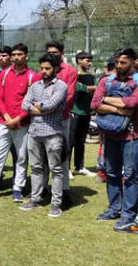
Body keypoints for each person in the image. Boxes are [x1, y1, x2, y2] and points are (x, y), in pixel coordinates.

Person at [91, 47, 138, 232]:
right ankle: (114, 208)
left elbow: (133, 103)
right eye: (116, 62)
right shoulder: (106, 80)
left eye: (123, 62)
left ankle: (128, 213)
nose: (118, 65)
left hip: (131, 136)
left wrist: (105, 101)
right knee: (111, 173)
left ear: (133, 62)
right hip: (109, 134)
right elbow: (94, 104)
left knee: (131, 175)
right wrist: (118, 109)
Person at [0, 44, 37, 203]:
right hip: (3, 123)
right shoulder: (4, 74)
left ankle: (17, 189)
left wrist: (17, 119)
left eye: (20, 54)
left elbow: (31, 102)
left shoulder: (32, 76)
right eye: (14, 54)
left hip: (22, 124)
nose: (16, 57)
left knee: (21, 157)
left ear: (26, 56)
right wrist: (6, 117)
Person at [20, 53, 69, 217]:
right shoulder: (35, 86)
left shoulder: (61, 86)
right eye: (41, 68)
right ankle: (35, 198)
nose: (43, 71)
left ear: (55, 68)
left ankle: (56, 204)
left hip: (52, 133)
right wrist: (39, 108)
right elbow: (24, 104)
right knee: (35, 168)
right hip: (34, 132)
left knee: (56, 169)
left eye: (47, 68)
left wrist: (38, 106)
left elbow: (51, 105)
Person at [45, 41, 77, 205]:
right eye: (49, 52)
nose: (52, 55)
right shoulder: (43, 70)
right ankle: (43, 189)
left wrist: (49, 107)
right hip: (43, 120)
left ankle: (64, 191)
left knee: (61, 155)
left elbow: (69, 96)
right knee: (44, 155)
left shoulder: (70, 71)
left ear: (62, 54)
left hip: (61, 118)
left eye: (55, 52)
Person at [68, 51, 97, 177]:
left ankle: (79, 167)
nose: (89, 63)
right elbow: (76, 88)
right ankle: (67, 168)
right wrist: (89, 88)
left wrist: (89, 89)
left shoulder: (91, 76)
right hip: (74, 110)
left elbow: (95, 89)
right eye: (87, 60)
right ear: (79, 60)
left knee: (81, 140)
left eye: (90, 60)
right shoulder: (73, 74)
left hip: (87, 111)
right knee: (70, 140)